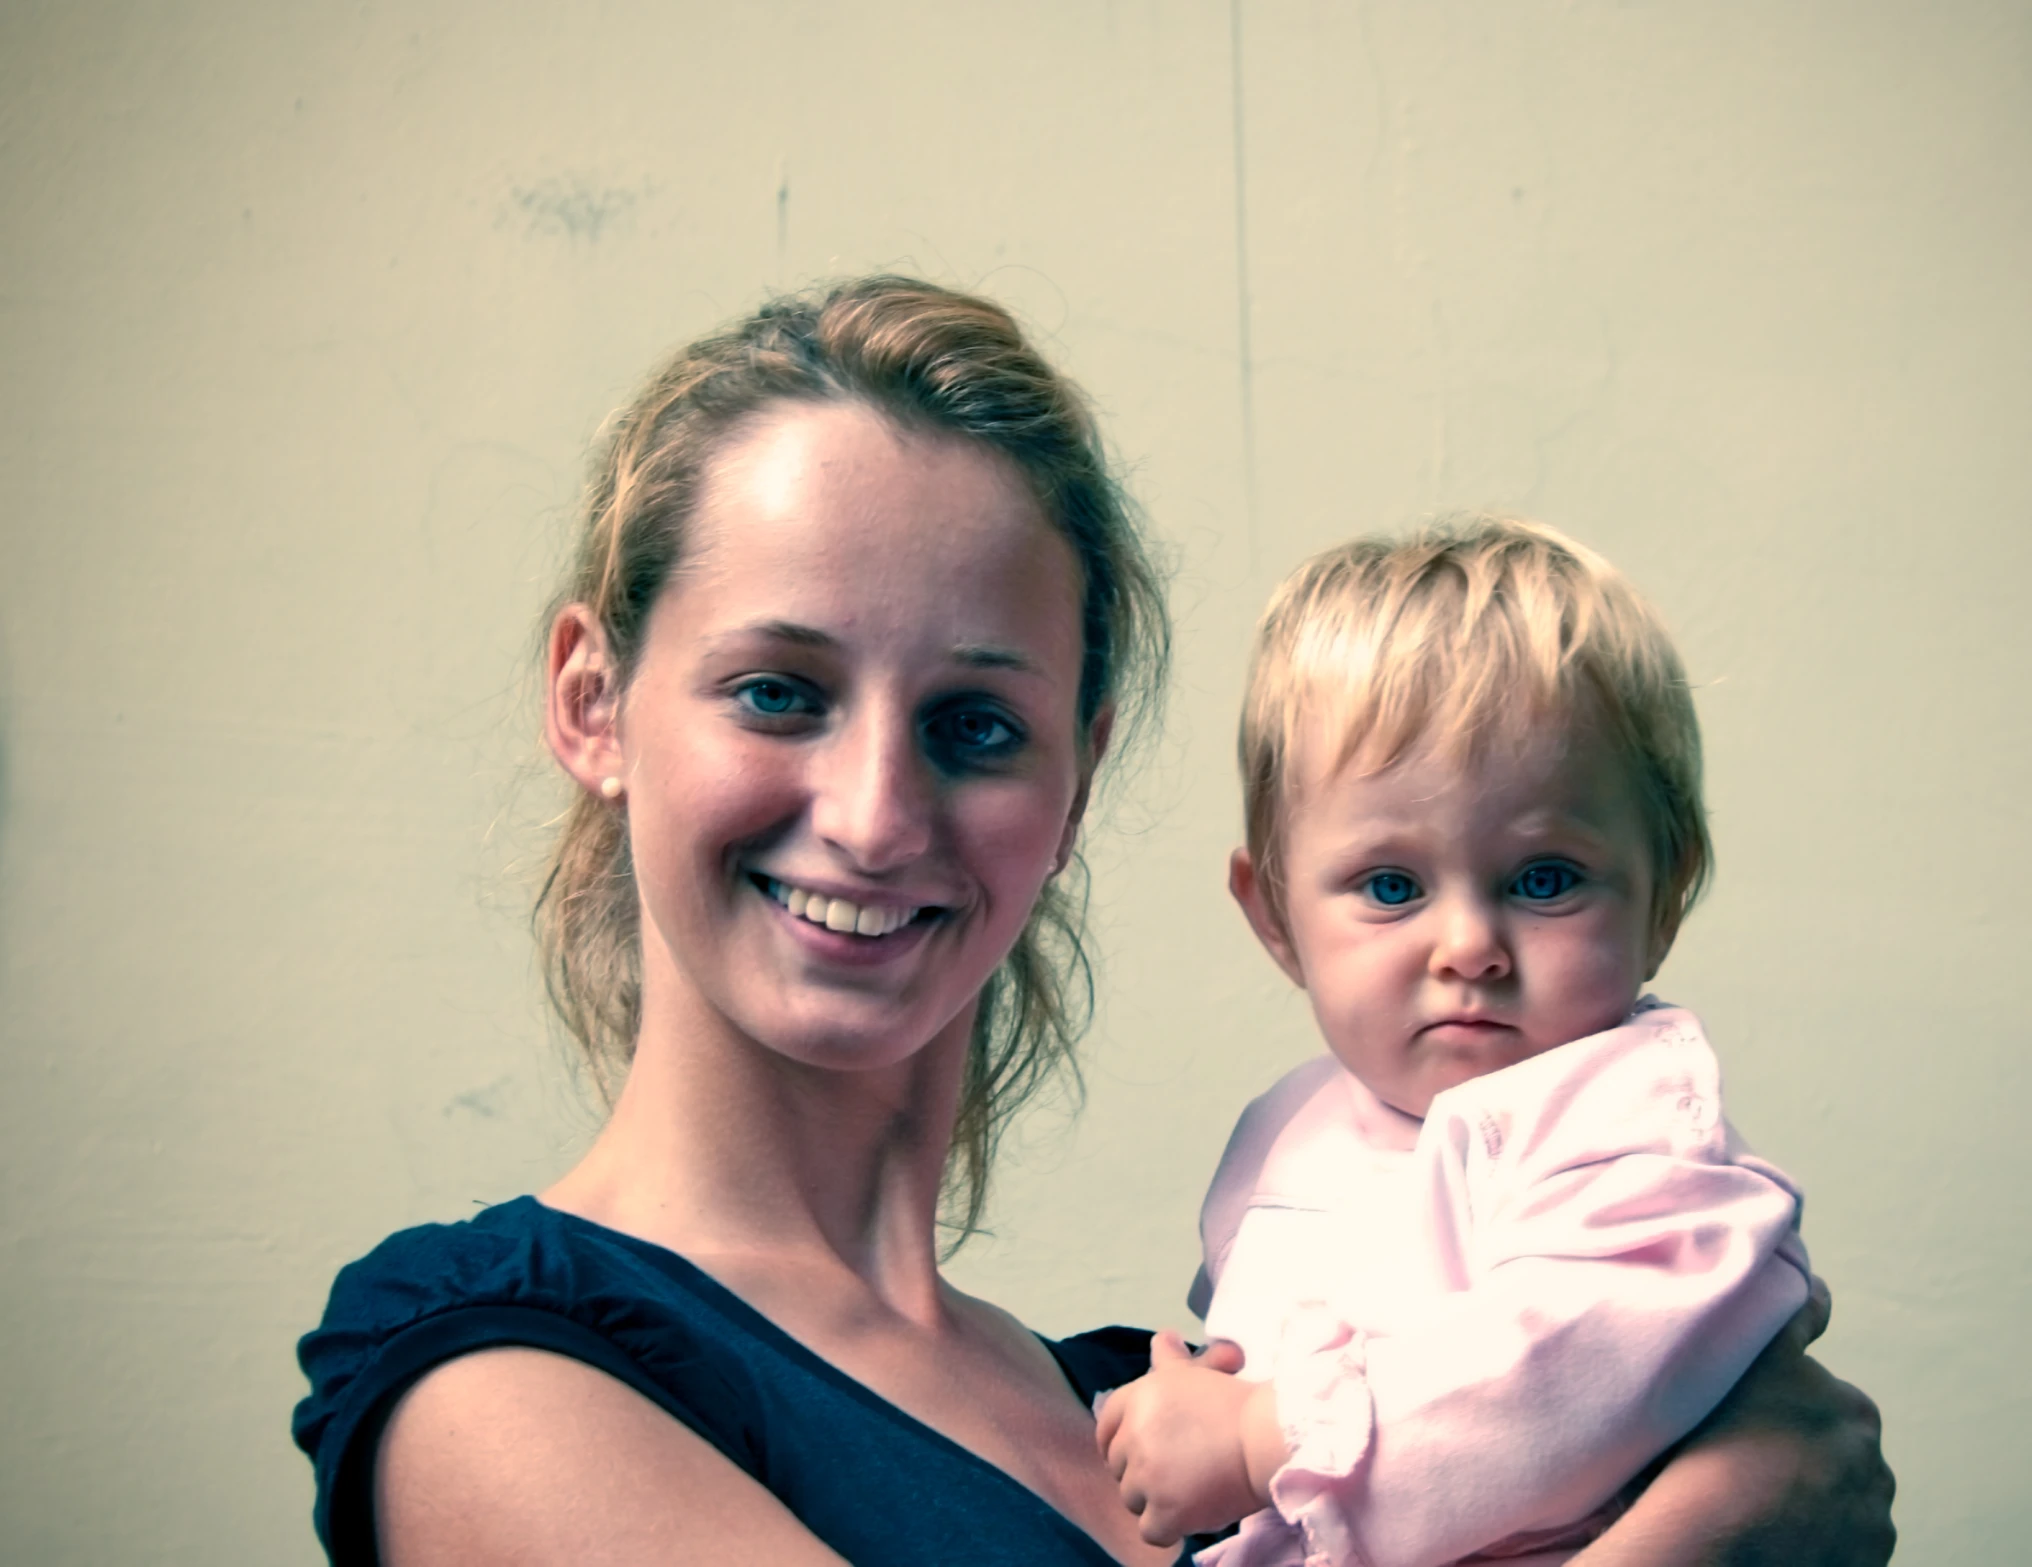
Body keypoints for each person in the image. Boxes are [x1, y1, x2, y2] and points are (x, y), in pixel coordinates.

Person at [291, 277, 1896, 1566]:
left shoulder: (1174, 1383)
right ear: (593, 702)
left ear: (1077, 773)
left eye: (976, 724)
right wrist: (1707, 1530)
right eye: (776, 692)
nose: (871, 811)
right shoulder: (500, 1369)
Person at [1097, 519, 1820, 1566]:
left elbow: (1561, 1377)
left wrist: (1266, 1434)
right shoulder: (1286, 1128)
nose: (1470, 945)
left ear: (1665, 895)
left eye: (1544, 879)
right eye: (1391, 887)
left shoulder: (1628, 1122)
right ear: (1274, 919)